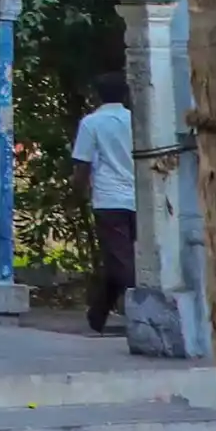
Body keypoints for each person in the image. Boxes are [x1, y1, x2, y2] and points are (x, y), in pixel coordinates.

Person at [73, 73, 140, 334]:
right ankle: (97, 315)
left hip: (109, 199)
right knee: (119, 258)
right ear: (125, 95)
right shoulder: (136, 121)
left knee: (120, 260)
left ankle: (141, 309)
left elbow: (83, 164)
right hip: (138, 197)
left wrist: (77, 190)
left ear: (97, 95)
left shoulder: (91, 123)